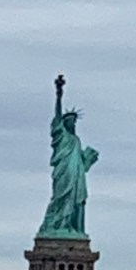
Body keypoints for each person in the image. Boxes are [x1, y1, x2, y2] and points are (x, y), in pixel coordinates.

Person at [38, 74, 99, 236]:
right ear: (64, 123)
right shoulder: (62, 136)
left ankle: (72, 227)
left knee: (75, 200)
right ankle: (57, 225)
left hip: (77, 176)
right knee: (60, 198)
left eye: (74, 121)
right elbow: (57, 117)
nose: (73, 123)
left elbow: (82, 164)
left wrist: (89, 159)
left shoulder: (76, 141)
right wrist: (59, 95)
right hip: (63, 172)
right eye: (70, 121)